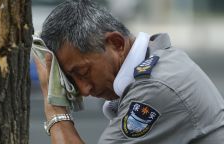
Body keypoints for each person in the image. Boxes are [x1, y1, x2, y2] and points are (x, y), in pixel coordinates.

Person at [33, 0, 224, 143]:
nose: (83, 89)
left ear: (116, 43)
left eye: (83, 72)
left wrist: (55, 107)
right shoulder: (160, 58)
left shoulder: (154, 88)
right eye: (70, 79)